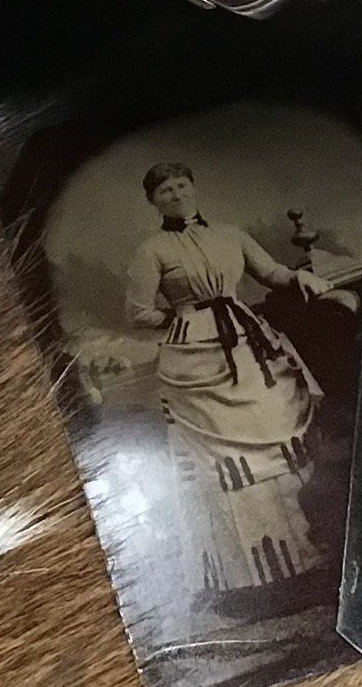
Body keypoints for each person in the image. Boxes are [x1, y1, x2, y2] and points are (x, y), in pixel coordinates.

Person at [126, 161, 333, 596]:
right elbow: (137, 311)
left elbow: (270, 272)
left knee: (275, 424)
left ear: (193, 188)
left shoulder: (230, 235)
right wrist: (182, 319)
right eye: (165, 191)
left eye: (182, 185)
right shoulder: (152, 249)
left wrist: (300, 275)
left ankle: (312, 552)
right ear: (153, 201)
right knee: (222, 456)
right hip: (194, 358)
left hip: (247, 340)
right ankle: (252, 578)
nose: (176, 195)